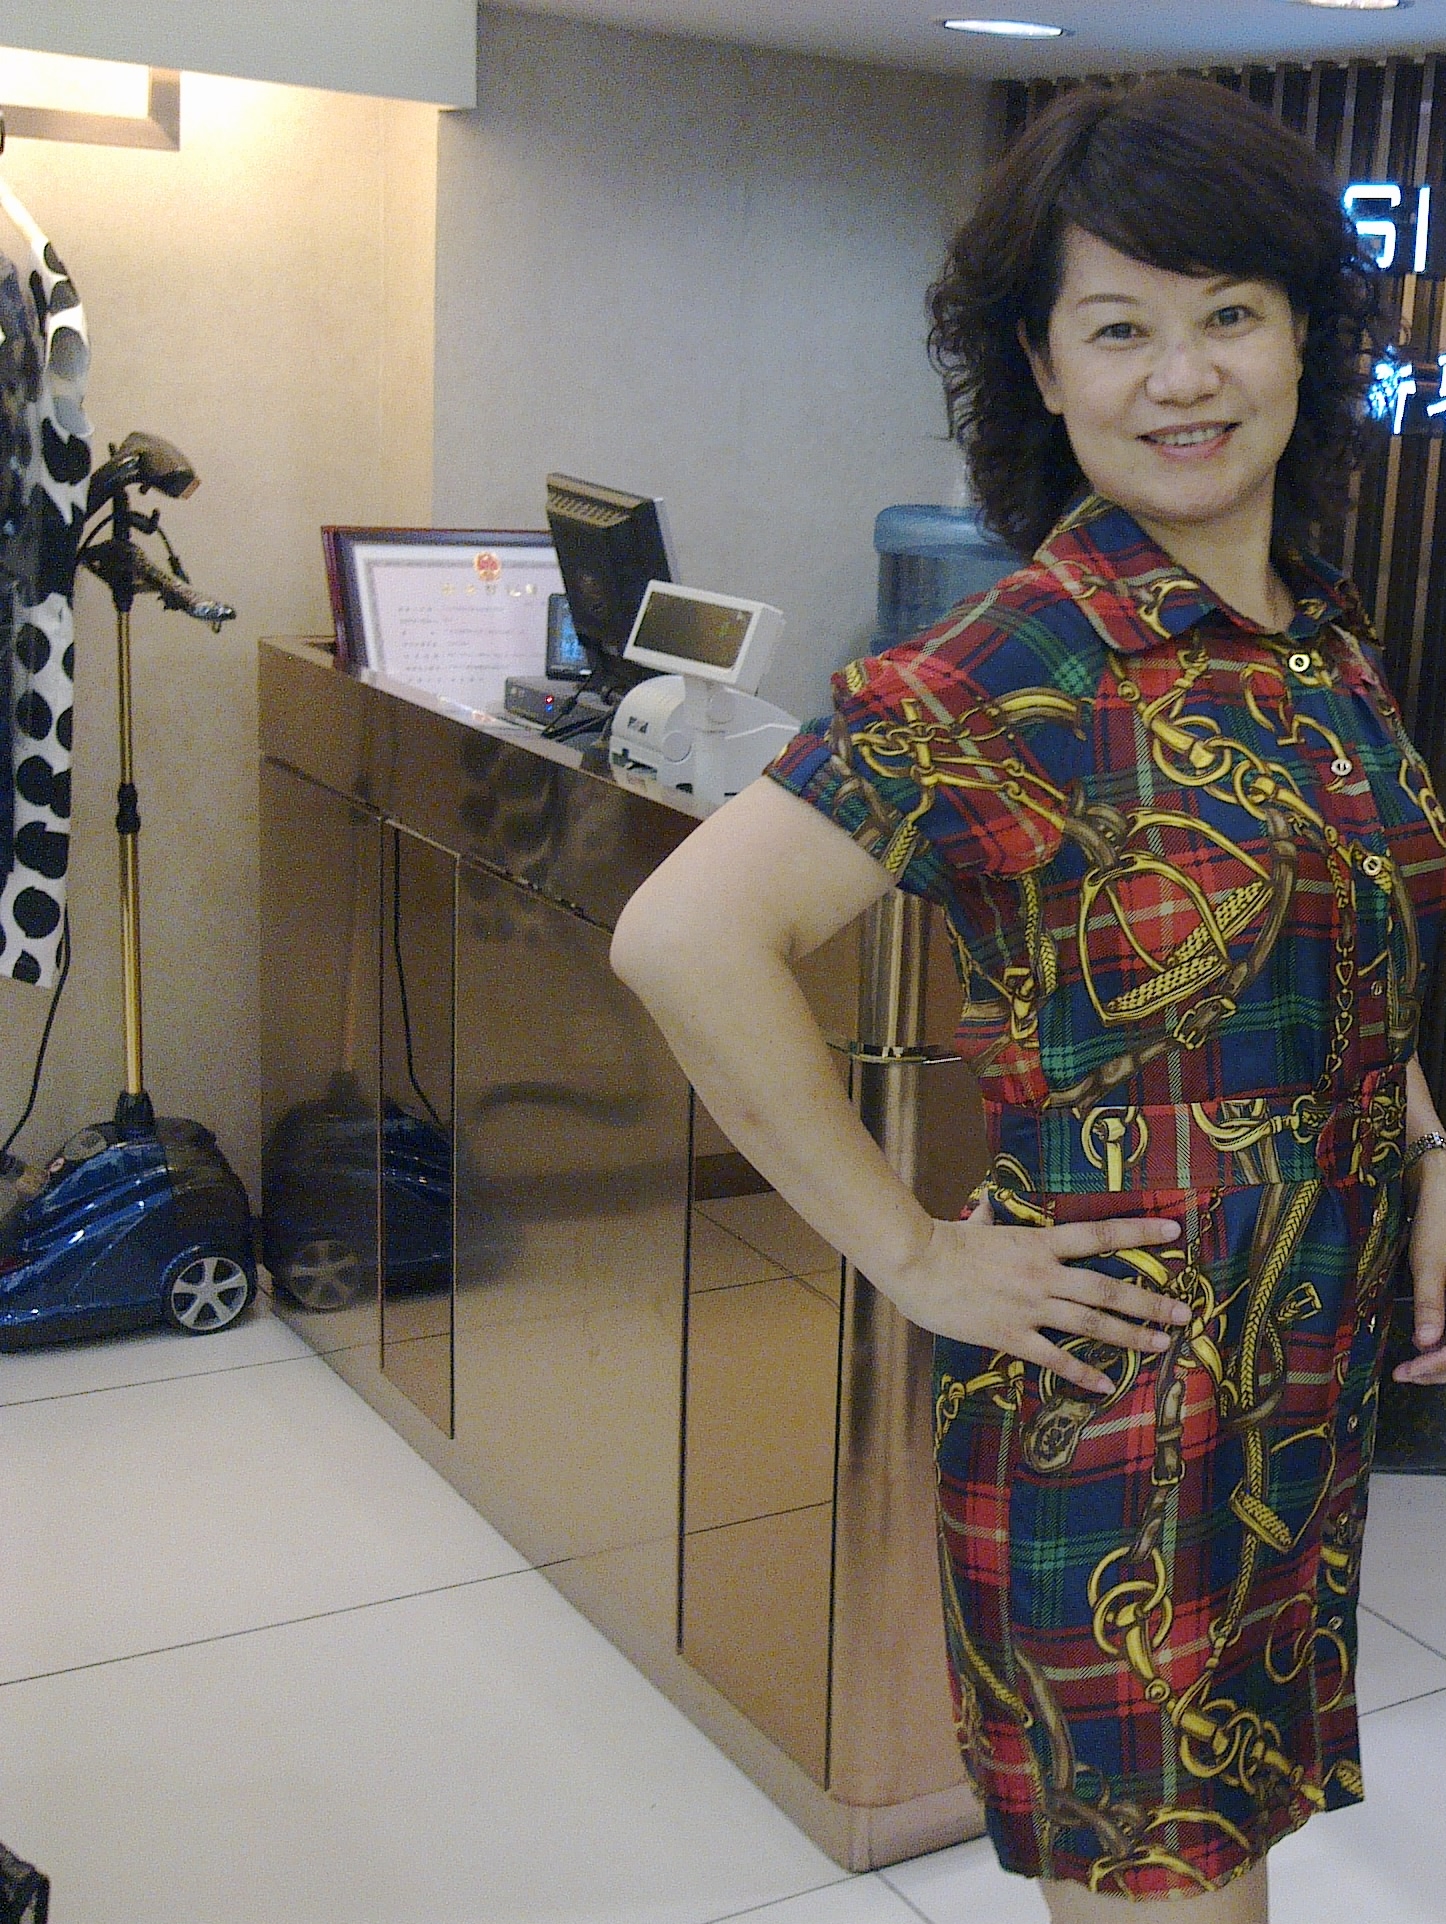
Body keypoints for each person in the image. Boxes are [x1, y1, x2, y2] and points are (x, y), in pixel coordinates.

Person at [610, 76, 1446, 1922]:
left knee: (1230, 1859)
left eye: (1229, 313)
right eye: (1118, 328)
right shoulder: (1019, 664)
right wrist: (910, 1253)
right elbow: (684, 936)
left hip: (1296, 1393)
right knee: (1158, 1889)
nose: (1183, 376)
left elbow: (1345, 945)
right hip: (1120, 1409)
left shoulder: (1313, 641)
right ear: (1042, 371)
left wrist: (1423, 1141)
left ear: (1306, 339)